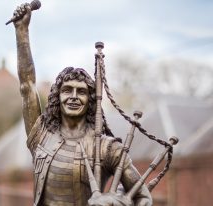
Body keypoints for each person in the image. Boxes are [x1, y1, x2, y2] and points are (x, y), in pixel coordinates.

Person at [13, 3, 152, 206]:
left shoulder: (106, 148)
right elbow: (27, 85)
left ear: (91, 101)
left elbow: (143, 198)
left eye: (82, 92)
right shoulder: (41, 135)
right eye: (67, 90)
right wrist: (21, 32)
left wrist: (116, 202)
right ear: (56, 98)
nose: (74, 97)